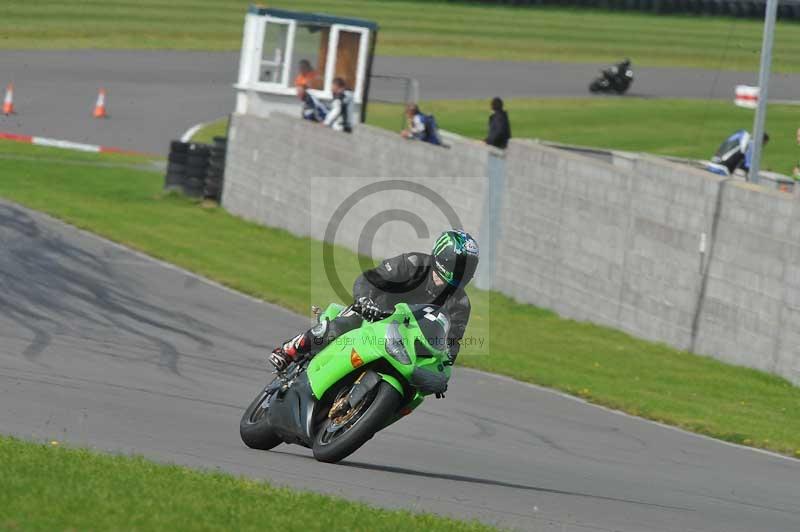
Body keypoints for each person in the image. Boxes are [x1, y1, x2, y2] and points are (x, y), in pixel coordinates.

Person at [268, 230, 480, 377]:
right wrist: (365, 301)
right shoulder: (413, 263)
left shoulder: (460, 303)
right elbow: (370, 278)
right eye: (458, 265)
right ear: (443, 257)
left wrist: (444, 362)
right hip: (374, 314)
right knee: (341, 326)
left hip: (406, 341)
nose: (462, 272)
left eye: (467, 267)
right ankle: (290, 350)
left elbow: (452, 341)